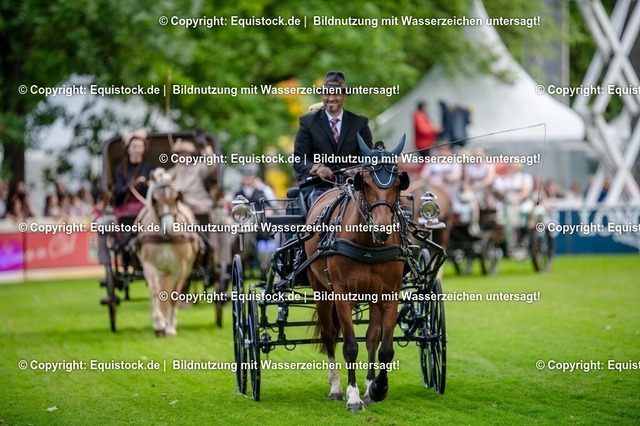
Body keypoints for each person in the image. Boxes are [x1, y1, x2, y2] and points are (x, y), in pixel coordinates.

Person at [293, 71, 373, 207]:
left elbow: (369, 159)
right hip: (318, 186)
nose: (331, 98)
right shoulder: (308, 123)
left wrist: (358, 169)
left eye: (336, 94)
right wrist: (316, 168)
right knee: (323, 209)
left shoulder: (360, 123)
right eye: (327, 94)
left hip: (353, 185)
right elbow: (299, 160)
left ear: (344, 95)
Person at [113, 129, 153, 218]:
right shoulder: (120, 169)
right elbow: (118, 193)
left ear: (144, 149)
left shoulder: (149, 168)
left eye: (140, 147)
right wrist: (130, 186)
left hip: (145, 209)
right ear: (128, 149)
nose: (137, 150)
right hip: (125, 209)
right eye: (134, 147)